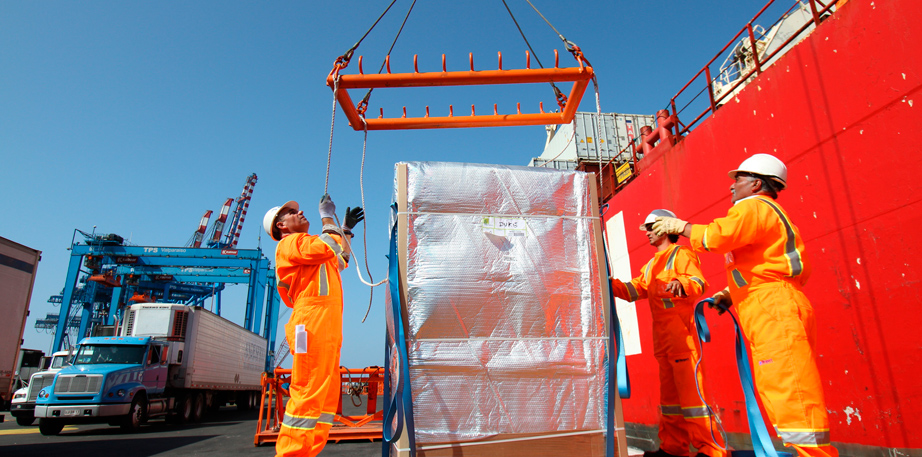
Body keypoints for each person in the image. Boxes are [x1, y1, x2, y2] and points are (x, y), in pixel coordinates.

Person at [652, 153, 838, 457]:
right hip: (770, 304)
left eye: (737, 179)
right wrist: (730, 292)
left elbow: (717, 236)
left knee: (790, 390)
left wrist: (682, 226)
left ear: (755, 184)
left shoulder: (754, 207)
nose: (732, 186)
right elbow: (763, 264)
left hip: (772, 308)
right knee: (781, 386)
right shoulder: (767, 212)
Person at [610, 209, 727, 457]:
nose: (648, 234)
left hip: (682, 338)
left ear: (665, 229)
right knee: (671, 403)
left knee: (693, 400)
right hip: (662, 342)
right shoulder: (652, 264)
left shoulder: (682, 254)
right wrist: (608, 283)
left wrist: (681, 284)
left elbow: (699, 283)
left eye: (652, 228)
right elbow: (634, 290)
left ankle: (711, 450)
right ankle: (673, 449)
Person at [263, 194, 364, 457]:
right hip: (311, 322)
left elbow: (339, 259)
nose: (300, 212)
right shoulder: (291, 244)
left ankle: (306, 453)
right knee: (308, 391)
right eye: (290, 213)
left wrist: (347, 230)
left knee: (325, 395)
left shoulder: (309, 249)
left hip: (324, 323)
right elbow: (328, 246)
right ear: (281, 226)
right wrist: (328, 217)